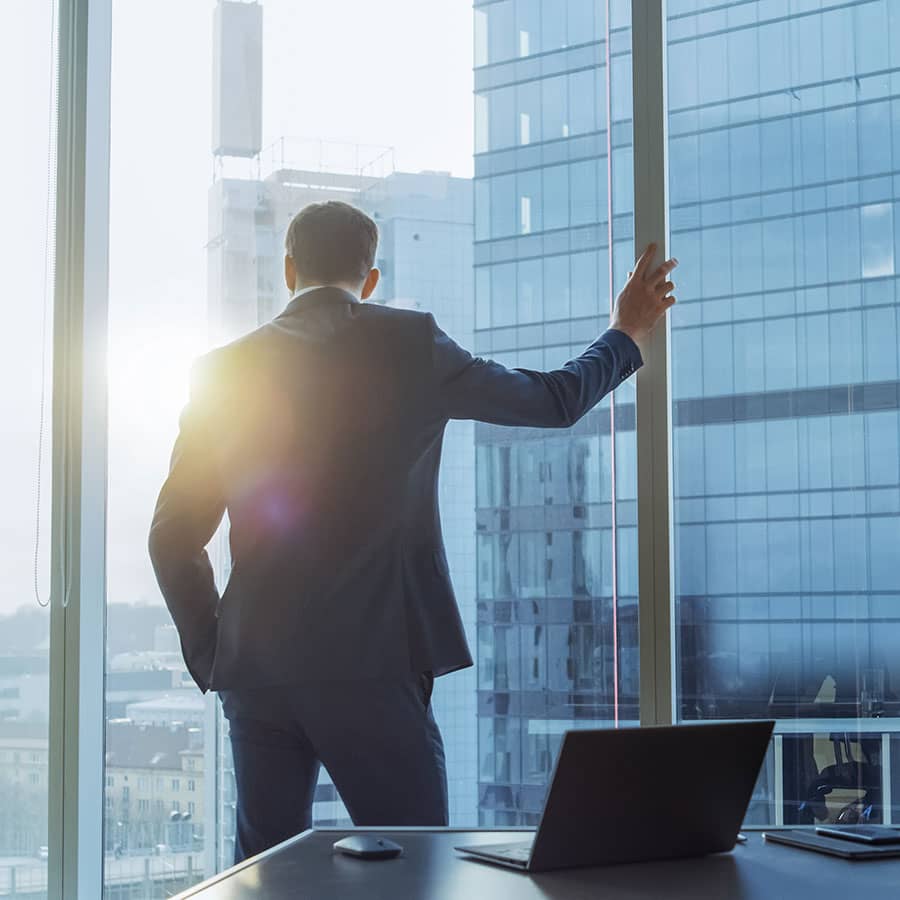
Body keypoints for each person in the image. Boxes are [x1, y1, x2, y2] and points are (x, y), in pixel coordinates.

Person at [148, 200, 676, 863]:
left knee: (264, 876)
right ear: (371, 279)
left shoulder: (221, 371)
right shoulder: (409, 343)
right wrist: (625, 332)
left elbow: (171, 536)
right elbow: (553, 400)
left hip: (256, 674)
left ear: (288, 270)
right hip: (376, 667)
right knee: (418, 866)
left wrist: (216, 651)